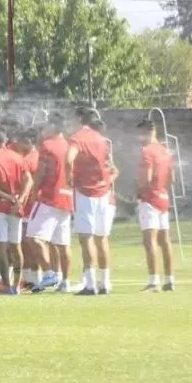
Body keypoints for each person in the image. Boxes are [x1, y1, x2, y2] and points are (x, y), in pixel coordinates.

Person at [66, 108, 118, 295]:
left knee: (86, 237)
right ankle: (105, 282)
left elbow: (69, 158)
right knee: (102, 238)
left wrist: (69, 176)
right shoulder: (101, 139)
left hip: (85, 192)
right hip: (103, 192)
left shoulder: (78, 137)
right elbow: (110, 166)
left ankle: (90, 284)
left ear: (80, 119)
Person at [0, 125, 32, 296]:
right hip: (16, 207)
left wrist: (7, 197)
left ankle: (7, 285)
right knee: (15, 246)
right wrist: (20, 199)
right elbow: (29, 180)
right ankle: (16, 285)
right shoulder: (18, 157)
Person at [27, 113, 74, 293]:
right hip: (66, 197)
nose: (43, 130)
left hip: (49, 196)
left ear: (54, 127)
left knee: (34, 237)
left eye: (46, 126)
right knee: (62, 243)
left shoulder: (47, 145)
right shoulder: (69, 145)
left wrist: (34, 191)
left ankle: (49, 273)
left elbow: (41, 171)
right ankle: (65, 281)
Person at [136, 118, 176, 292]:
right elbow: (172, 178)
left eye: (140, 134)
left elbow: (146, 178)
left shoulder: (147, 151)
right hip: (163, 198)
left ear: (147, 132)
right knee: (165, 241)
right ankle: (170, 280)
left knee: (149, 240)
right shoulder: (165, 150)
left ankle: (153, 281)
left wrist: (139, 191)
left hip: (150, 200)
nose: (138, 138)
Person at [13, 128, 40, 289]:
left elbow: (28, 183)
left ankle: (34, 279)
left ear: (28, 142)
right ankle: (29, 278)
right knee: (25, 243)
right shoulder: (35, 156)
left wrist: (22, 199)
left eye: (20, 141)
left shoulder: (28, 159)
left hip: (29, 206)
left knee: (28, 244)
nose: (16, 144)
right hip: (32, 204)